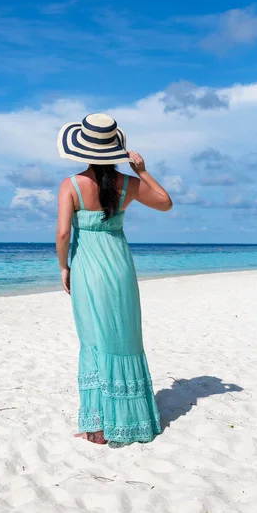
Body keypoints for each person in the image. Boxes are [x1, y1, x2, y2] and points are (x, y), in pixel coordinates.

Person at [56, 113, 173, 445]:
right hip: (120, 267)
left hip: (88, 269)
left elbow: (64, 233)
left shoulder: (71, 185)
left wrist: (64, 267)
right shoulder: (129, 186)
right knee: (123, 338)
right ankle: (131, 421)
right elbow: (165, 203)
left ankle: (98, 425)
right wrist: (142, 171)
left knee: (93, 339)